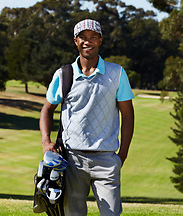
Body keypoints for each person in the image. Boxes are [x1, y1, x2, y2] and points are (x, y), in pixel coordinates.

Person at [39, 19, 135, 216]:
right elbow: (47, 109)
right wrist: (46, 142)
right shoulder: (63, 74)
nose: (87, 42)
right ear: (75, 41)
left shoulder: (117, 73)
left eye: (93, 37)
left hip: (107, 160)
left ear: (100, 40)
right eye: (83, 37)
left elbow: (128, 114)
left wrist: (122, 154)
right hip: (72, 159)